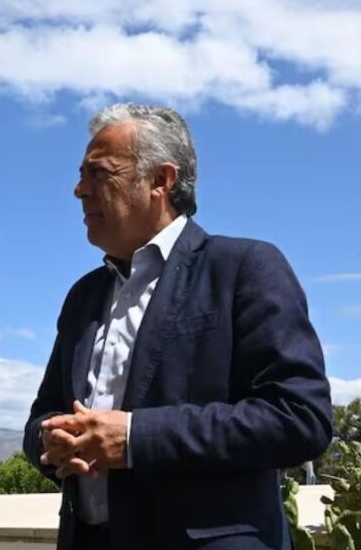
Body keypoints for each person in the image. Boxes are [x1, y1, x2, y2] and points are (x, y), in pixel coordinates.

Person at [23, 103, 333, 550]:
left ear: (161, 180)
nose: (79, 190)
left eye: (98, 173)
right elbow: (43, 414)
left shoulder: (243, 269)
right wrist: (51, 439)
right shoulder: (83, 298)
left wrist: (134, 438)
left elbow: (299, 417)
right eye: (81, 174)